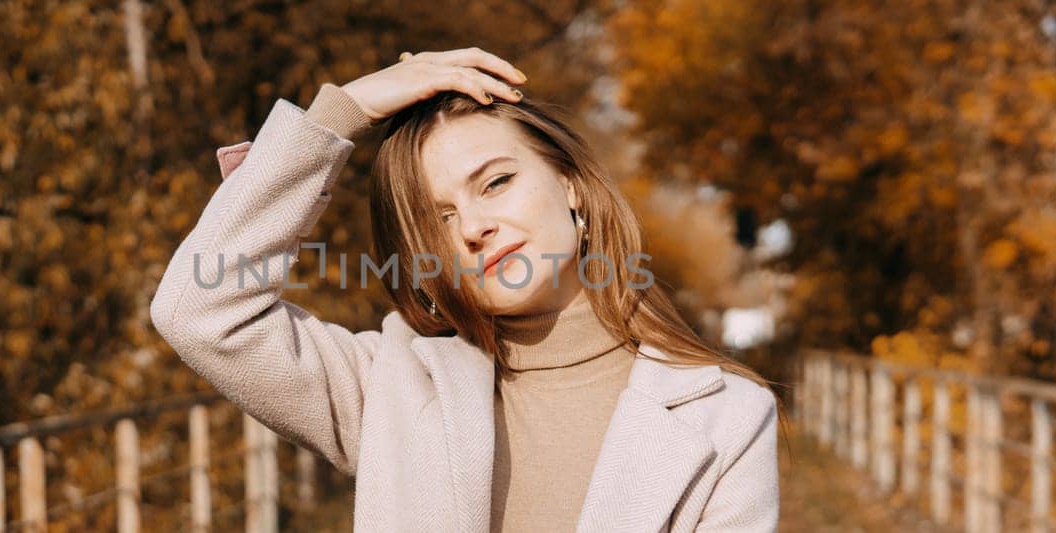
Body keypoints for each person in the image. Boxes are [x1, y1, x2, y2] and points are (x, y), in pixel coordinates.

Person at [150, 47, 777, 532]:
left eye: (497, 182)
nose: (475, 227)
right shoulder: (389, 386)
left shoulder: (727, 417)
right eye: (439, 218)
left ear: (571, 187)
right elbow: (201, 309)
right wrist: (344, 110)